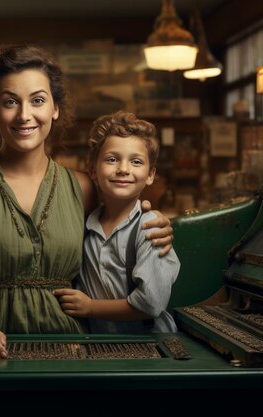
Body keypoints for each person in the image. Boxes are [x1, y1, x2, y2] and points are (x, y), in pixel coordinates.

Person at [0, 44, 174, 359]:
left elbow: (124, 224)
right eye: (10, 102)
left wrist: (153, 220)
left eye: (37, 100)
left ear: (54, 108)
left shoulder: (83, 187)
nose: (25, 115)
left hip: (72, 349)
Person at [54, 111, 180, 333]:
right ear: (93, 170)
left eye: (136, 161)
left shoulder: (150, 228)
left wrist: (91, 307)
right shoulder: (84, 224)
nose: (123, 169)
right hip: (103, 346)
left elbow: (150, 303)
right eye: (112, 159)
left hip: (150, 349)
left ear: (151, 174)